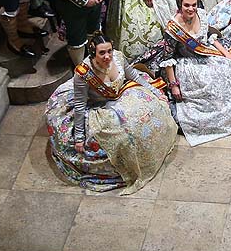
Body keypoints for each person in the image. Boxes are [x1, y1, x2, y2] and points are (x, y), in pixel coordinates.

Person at [45, 36, 176, 194]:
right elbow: (80, 106)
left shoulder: (119, 58)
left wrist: (154, 91)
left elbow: (133, 75)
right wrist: (79, 137)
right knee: (122, 134)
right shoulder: (83, 74)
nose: (107, 56)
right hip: (97, 106)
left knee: (150, 112)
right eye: (102, 53)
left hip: (122, 96)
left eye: (109, 51)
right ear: (93, 53)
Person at [142, 0, 231, 146]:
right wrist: (173, 85)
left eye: (193, 5)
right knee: (207, 83)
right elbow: (167, 58)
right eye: (186, 5)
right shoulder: (173, 28)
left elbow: (210, 38)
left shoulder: (201, 15)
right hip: (187, 64)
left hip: (207, 55)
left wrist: (227, 55)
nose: (191, 9)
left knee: (229, 72)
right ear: (180, 6)